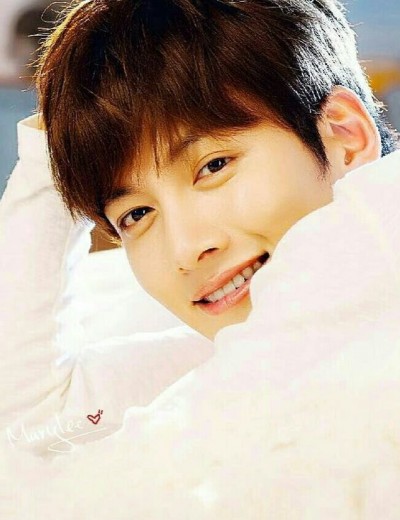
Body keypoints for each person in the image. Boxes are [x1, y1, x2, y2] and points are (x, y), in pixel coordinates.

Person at [1, 0, 400, 518]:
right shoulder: (218, 356)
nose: (186, 247)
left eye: (214, 166)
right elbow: (35, 421)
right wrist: (55, 146)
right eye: (137, 214)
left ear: (346, 136)